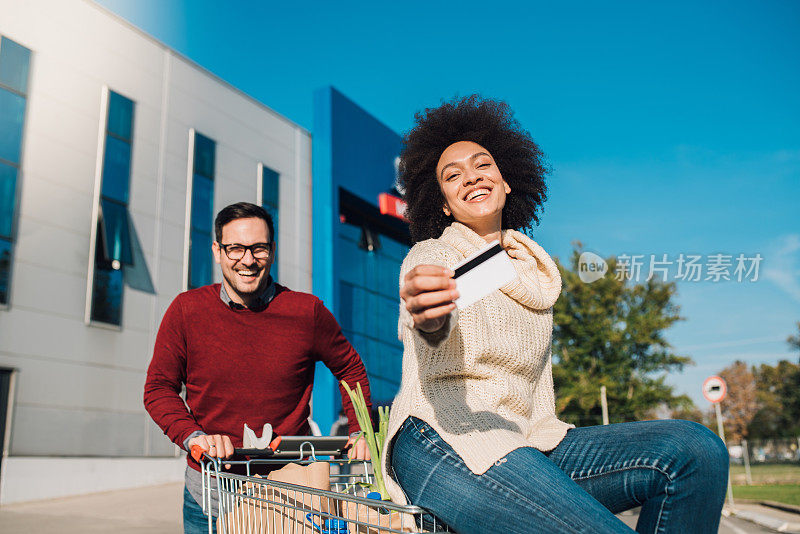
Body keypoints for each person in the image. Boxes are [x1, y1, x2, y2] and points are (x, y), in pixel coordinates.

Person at [380, 96, 729, 533]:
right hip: (442, 438)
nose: (471, 176)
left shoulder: (530, 271)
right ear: (444, 204)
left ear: (507, 182)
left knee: (695, 451)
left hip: (531, 440)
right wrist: (427, 309)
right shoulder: (433, 254)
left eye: (482, 165)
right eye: (453, 175)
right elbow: (429, 323)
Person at [144, 202, 372, 534]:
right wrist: (194, 436)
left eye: (258, 248)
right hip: (210, 491)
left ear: (273, 251)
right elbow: (158, 389)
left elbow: (350, 368)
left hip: (291, 493)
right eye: (235, 248)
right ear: (218, 251)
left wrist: (359, 429)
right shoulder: (186, 311)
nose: (248, 260)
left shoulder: (305, 311)